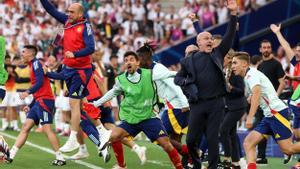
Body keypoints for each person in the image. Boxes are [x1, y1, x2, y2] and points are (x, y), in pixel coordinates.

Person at [93, 51, 183, 169]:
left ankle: (180, 167)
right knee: (114, 136)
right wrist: (96, 103)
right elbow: (111, 93)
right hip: (132, 119)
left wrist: (183, 73)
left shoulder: (149, 74)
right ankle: (122, 166)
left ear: (138, 62)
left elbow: (167, 74)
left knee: (166, 145)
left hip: (149, 117)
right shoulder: (121, 80)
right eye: (126, 60)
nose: (128, 62)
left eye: (131, 59)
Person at [174, 0, 238, 168]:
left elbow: (230, 35)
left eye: (211, 38)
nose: (210, 40)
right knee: (190, 139)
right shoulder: (188, 61)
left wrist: (233, 14)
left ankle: (212, 167)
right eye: (206, 38)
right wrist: (189, 83)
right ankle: (195, 164)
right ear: (199, 43)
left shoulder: (218, 54)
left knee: (211, 139)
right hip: (197, 104)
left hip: (216, 104)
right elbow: (177, 79)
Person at [40, 0, 110, 151]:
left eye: (72, 12)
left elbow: (91, 47)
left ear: (80, 14)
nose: (68, 14)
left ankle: (73, 139)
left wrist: (75, 54)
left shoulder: (86, 26)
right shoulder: (66, 22)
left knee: (73, 103)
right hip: (70, 69)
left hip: (81, 70)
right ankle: (103, 131)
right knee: (83, 105)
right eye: (68, 11)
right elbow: (50, 10)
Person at [231, 52, 300, 169]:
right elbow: (258, 92)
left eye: (234, 63)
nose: (232, 66)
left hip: (277, 113)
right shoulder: (250, 75)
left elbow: (257, 93)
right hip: (269, 115)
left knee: (288, 149)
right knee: (248, 143)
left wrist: (250, 117)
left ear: (243, 64)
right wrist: (251, 96)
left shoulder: (250, 75)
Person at [8, 45, 66, 166]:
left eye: (23, 52)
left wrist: (27, 92)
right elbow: (39, 85)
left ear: (30, 54)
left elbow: (39, 83)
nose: (21, 54)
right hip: (38, 101)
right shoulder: (32, 65)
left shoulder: (36, 64)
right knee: (25, 127)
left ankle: (60, 157)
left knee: (47, 129)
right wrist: (31, 104)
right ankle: (11, 155)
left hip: (45, 101)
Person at [137, 43, 190, 167]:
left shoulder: (158, 69)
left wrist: (184, 103)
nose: (138, 63)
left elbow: (174, 85)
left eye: (138, 59)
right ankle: (184, 164)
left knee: (158, 136)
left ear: (145, 58)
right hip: (174, 105)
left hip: (176, 106)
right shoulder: (150, 70)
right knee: (173, 139)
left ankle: (192, 154)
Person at [270, 23, 300, 166]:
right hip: (296, 104)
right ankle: (291, 152)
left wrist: (293, 78)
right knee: (296, 133)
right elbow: (287, 46)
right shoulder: (296, 62)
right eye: (297, 50)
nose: (297, 52)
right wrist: (277, 33)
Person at [253, 39, 286, 165]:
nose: (266, 49)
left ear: (271, 48)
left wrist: (274, 98)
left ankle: (288, 151)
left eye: (268, 47)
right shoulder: (260, 66)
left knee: (274, 130)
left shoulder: (276, 64)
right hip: (262, 105)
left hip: (273, 105)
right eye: (264, 47)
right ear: (260, 50)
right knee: (262, 129)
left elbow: (282, 82)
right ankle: (261, 156)